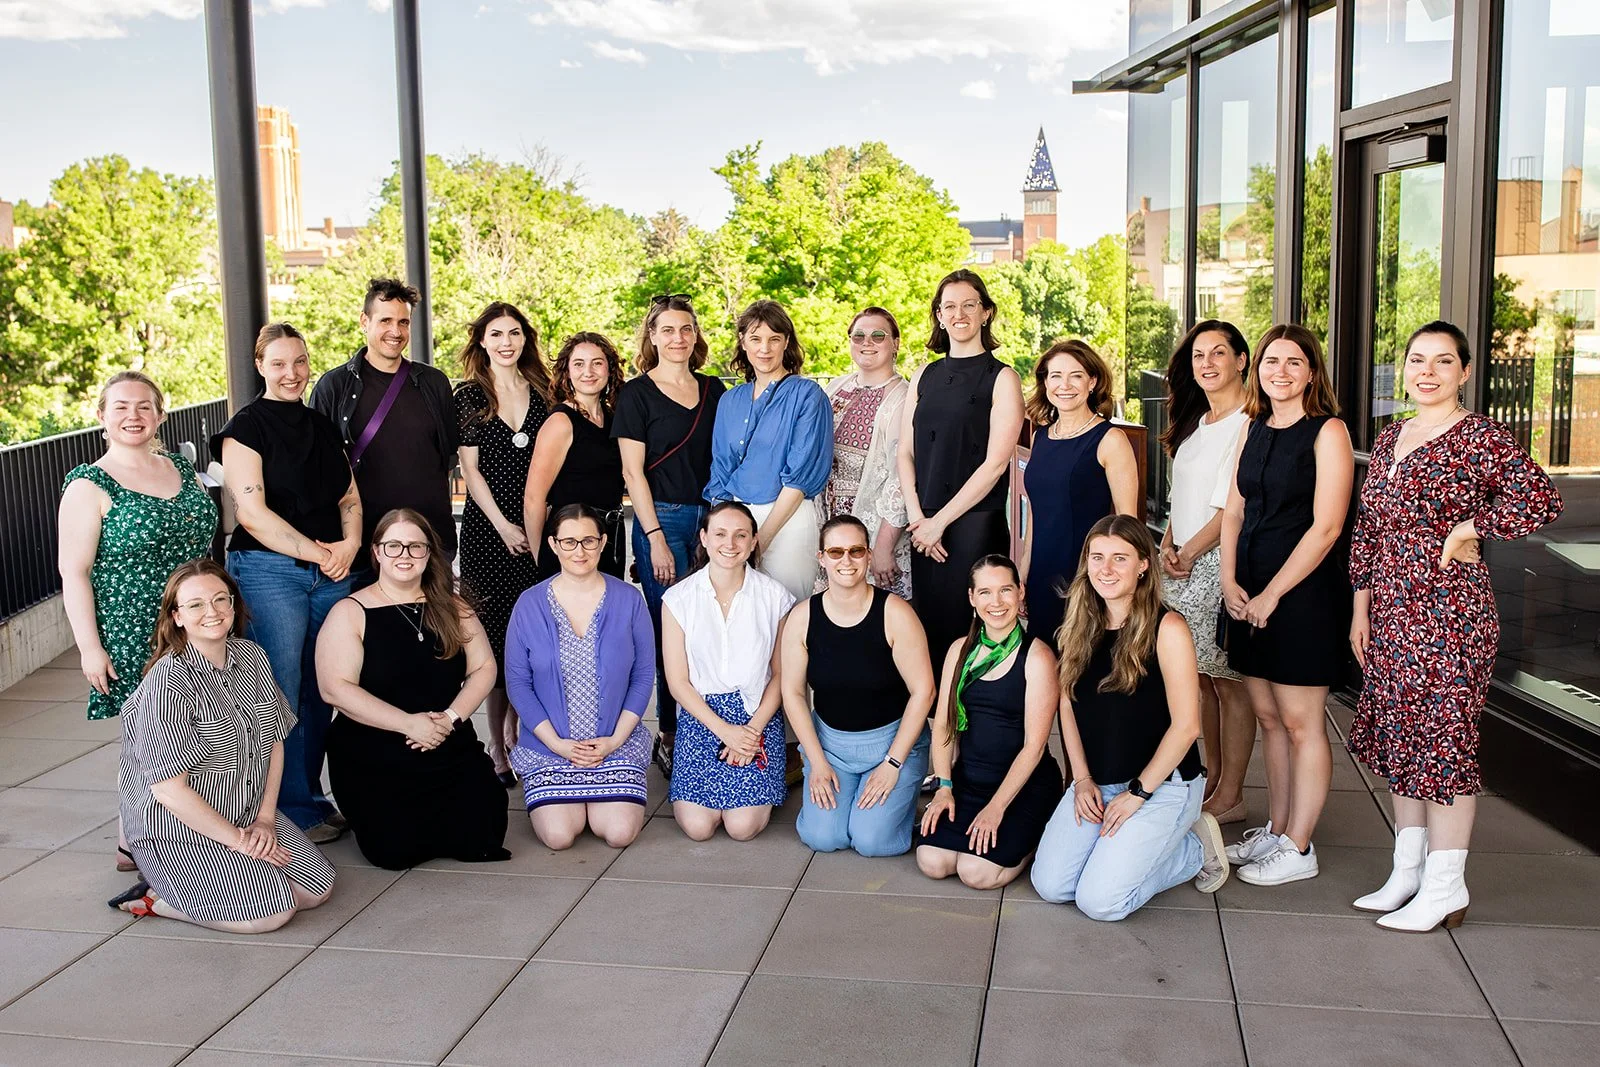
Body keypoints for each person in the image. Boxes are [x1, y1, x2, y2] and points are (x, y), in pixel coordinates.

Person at [1347, 321, 1562, 931]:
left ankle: (1446, 886)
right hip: (1390, 610)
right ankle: (1407, 873)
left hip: (1451, 612)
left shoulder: (1481, 439)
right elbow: (1370, 529)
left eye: (1444, 362)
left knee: (1443, 744)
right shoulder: (1392, 437)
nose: (1428, 372)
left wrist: (1469, 529)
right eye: (1418, 360)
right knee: (1402, 738)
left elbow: (1540, 500)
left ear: (1465, 373)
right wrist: (1360, 608)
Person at [108, 560, 335, 933]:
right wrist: (240, 843)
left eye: (219, 599)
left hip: (244, 809)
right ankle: (157, 900)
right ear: (177, 616)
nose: (211, 612)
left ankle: (229, 877)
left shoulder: (252, 657)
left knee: (314, 891)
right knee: (271, 914)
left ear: (233, 605)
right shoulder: (167, 684)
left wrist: (263, 819)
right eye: (195, 604)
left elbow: (275, 741)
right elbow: (169, 791)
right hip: (177, 827)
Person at [1030, 516, 1229, 920]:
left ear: (1143, 564)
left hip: (1161, 785)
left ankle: (1193, 849)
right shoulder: (1077, 624)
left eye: (1119, 559)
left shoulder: (1168, 628)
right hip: (1099, 781)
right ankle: (1125, 853)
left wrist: (1138, 793)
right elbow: (1066, 703)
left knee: (1100, 902)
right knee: (1052, 886)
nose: (1105, 570)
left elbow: (1188, 725)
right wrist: (1082, 779)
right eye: (1097, 557)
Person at [60, 370, 218, 872]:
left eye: (144, 406)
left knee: (197, 733)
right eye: (122, 407)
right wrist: (90, 647)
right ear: (102, 416)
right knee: (149, 740)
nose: (134, 416)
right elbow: (74, 571)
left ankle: (195, 831)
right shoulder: (90, 484)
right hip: (134, 629)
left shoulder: (177, 464)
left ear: (161, 415)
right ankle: (134, 841)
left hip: (199, 621)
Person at [215, 324, 362, 844]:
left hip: (329, 574)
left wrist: (348, 545)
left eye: (299, 362)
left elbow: (349, 497)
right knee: (278, 695)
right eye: (278, 363)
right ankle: (279, 810)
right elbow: (252, 515)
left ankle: (310, 801)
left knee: (322, 688)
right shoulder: (244, 430)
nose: (291, 373)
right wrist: (321, 552)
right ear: (261, 366)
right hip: (270, 573)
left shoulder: (320, 425)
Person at [1218, 324, 1354, 886]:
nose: (1281, 371)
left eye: (1294, 362)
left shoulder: (1329, 432)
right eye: (1272, 361)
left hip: (1302, 599)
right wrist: (1229, 581)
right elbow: (1233, 512)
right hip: (1248, 594)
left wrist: (1274, 594)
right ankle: (1277, 829)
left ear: (1311, 372)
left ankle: (1300, 846)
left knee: (1302, 724)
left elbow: (1326, 528)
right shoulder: (1253, 428)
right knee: (1270, 719)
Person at [316, 509, 509, 870]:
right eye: (393, 546)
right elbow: (334, 689)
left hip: (445, 737)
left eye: (415, 547)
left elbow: (484, 667)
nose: (404, 555)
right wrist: (408, 724)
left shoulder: (453, 607)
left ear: (428, 553)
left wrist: (450, 719)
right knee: (395, 852)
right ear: (376, 552)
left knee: (483, 836)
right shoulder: (351, 611)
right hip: (376, 750)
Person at [613, 294, 726, 776]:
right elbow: (633, 473)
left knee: (714, 626)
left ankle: (713, 723)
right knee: (671, 631)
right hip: (662, 518)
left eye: (686, 329)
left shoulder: (715, 389)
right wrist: (655, 536)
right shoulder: (636, 395)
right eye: (668, 330)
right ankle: (671, 732)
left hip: (712, 519)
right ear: (652, 336)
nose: (678, 338)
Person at [780, 516, 934, 857]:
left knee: (871, 841)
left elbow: (924, 691)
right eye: (836, 552)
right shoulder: (803, 617)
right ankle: (849, 808)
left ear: (868, 555)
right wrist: (816, 762)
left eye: (856, 551)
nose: (846, 561)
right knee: (824, 837)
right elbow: (792, 693)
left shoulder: (895, 613)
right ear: (821, 558)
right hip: (831, 745)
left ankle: (898, 806)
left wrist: (893, 764)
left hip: (891, 743)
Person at [504, 505, 654, 850]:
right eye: (569, 542)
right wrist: (557, 744)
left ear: (602, 543)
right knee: (559, 836)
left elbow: (644, 675)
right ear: (554, 545)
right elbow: (518, 684)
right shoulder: (529, 604)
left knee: (618, 833)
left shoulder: (629, 600)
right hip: (550, 747)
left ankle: (603, 793)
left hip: (615, 744)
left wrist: (615, 740)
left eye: (588, 540)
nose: (579, 551)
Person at [898, 270, 1025, 668]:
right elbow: (904, 452)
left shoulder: (1003, 378)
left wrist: (940, 522)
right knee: (931, 631)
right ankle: (941, 727)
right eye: (949, 306)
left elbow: (995, 464)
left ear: (986, 313)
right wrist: (920, 519)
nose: (959, 314)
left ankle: (979, 724)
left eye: (969, 305)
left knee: (974, 632)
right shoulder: (924, 374)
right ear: (938, 316)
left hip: (973, 524)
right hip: (924, 528)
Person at [916, 555, 1062, 890]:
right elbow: (944, 726)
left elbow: (1035, 746)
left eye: (1005, 591)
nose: (995, 603)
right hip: (970, 783)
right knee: (933, 861)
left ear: (1020, 593)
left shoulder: (1037, 657)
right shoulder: (959, 651)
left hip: (1022, 788)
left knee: (976, 873)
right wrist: (944, 788)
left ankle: (1038, 833)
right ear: (972, 598)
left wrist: (997, 808)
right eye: (985, 592)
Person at [1158, 321, 1254, 825]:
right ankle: (1213, 779)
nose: (1208, 363)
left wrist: (1190, 552)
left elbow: (1229, 509)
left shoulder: (1248, 421)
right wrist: (1168, 544)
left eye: (1220, 353)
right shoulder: (1198, 423)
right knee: (1199, 680)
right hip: (1183, 563)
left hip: (1218, 562)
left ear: (1242, 360)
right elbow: (1183, 500)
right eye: (1199, 355)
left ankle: (1233, 791)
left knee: (1229, 682)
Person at [453, 302, 551, 786]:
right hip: (487, 535)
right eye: (497, 334)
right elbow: (470, 473)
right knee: (493, 643)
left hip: (535, 532)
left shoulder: (544, 393)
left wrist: (532, 530)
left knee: (529, 643)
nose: (507, 342)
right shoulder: (470, 395)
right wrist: (504, 527)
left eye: (515, 332)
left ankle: (518, 731)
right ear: (482, 341)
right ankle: (497, 743)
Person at [662, 502, 792, 841]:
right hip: (701, 716)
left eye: (740, 535)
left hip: (755, 716)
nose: (730, 544)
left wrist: (749, 733)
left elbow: (781, 676)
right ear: (704, 538)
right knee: (698, 827)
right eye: (720, 534)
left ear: (753, 542)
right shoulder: (678, 599)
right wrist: (723, 730)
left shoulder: (775, 597)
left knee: (742, 827)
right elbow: (677, 683)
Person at [309, 277, 459, 566]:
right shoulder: (334, 387)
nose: (395, 331)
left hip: (430, 540)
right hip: (364, 546)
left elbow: (447, 458)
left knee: (433, 613)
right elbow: (318, 468)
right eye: (386, 320)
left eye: (403, 322)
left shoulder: (433, 383)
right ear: (364, 321)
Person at [704, 299, 833, 604]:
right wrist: (718, 533)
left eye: (774, 339)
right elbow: (721, 471)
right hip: (736, 521)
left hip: (787, 519)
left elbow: (800, 479)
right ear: (743, 341)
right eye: (756, 339)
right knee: (739, 616)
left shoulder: (808, 395)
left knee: (787, 613)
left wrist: (761, 540)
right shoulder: (730, 400)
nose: (764, 349)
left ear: (786, 342)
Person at [1019, 339, 1138, 645]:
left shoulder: (1111, 439)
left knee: (1082, 670)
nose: (1064, 385)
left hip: (1089, 576)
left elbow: (1128, 525)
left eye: (1076, 375)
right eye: (1055, 376)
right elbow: (1037, 515)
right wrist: (1022, 572)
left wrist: (1119, 587)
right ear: (1045, 383)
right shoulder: (1040, 437)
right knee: (1043, 671)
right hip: (1041, 575)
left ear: (1092, 381)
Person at [820, 308, 913, 599]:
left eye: (878, 335)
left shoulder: (903, 397)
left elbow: (902, 478)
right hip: (831, 523)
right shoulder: (836, 387)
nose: (866, 342)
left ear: (895, 343)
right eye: (858, 335)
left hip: (873, 530)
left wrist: (883, 545)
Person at [525, 332, 626, 581]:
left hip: (610, 538)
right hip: (571, 544)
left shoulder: (614, 419)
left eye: (597, 363)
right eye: (579, 364)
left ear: (610, 370)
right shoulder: (561, 421)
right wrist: (542, 556)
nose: (588, 371)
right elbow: (533, 498)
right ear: (567, 372)